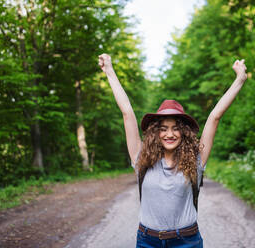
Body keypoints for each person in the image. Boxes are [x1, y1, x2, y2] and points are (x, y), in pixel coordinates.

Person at [98, 53, 247, 248]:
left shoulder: (195, 160)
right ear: (155, 133)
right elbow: (127, 112)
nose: (170, 134)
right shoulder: (141, 158)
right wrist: (109, 70)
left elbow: (214, 117)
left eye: (176, 127)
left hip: (187, 241)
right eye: (164, 128)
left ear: (184, 132)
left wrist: (240, 79)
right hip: (147, 241)